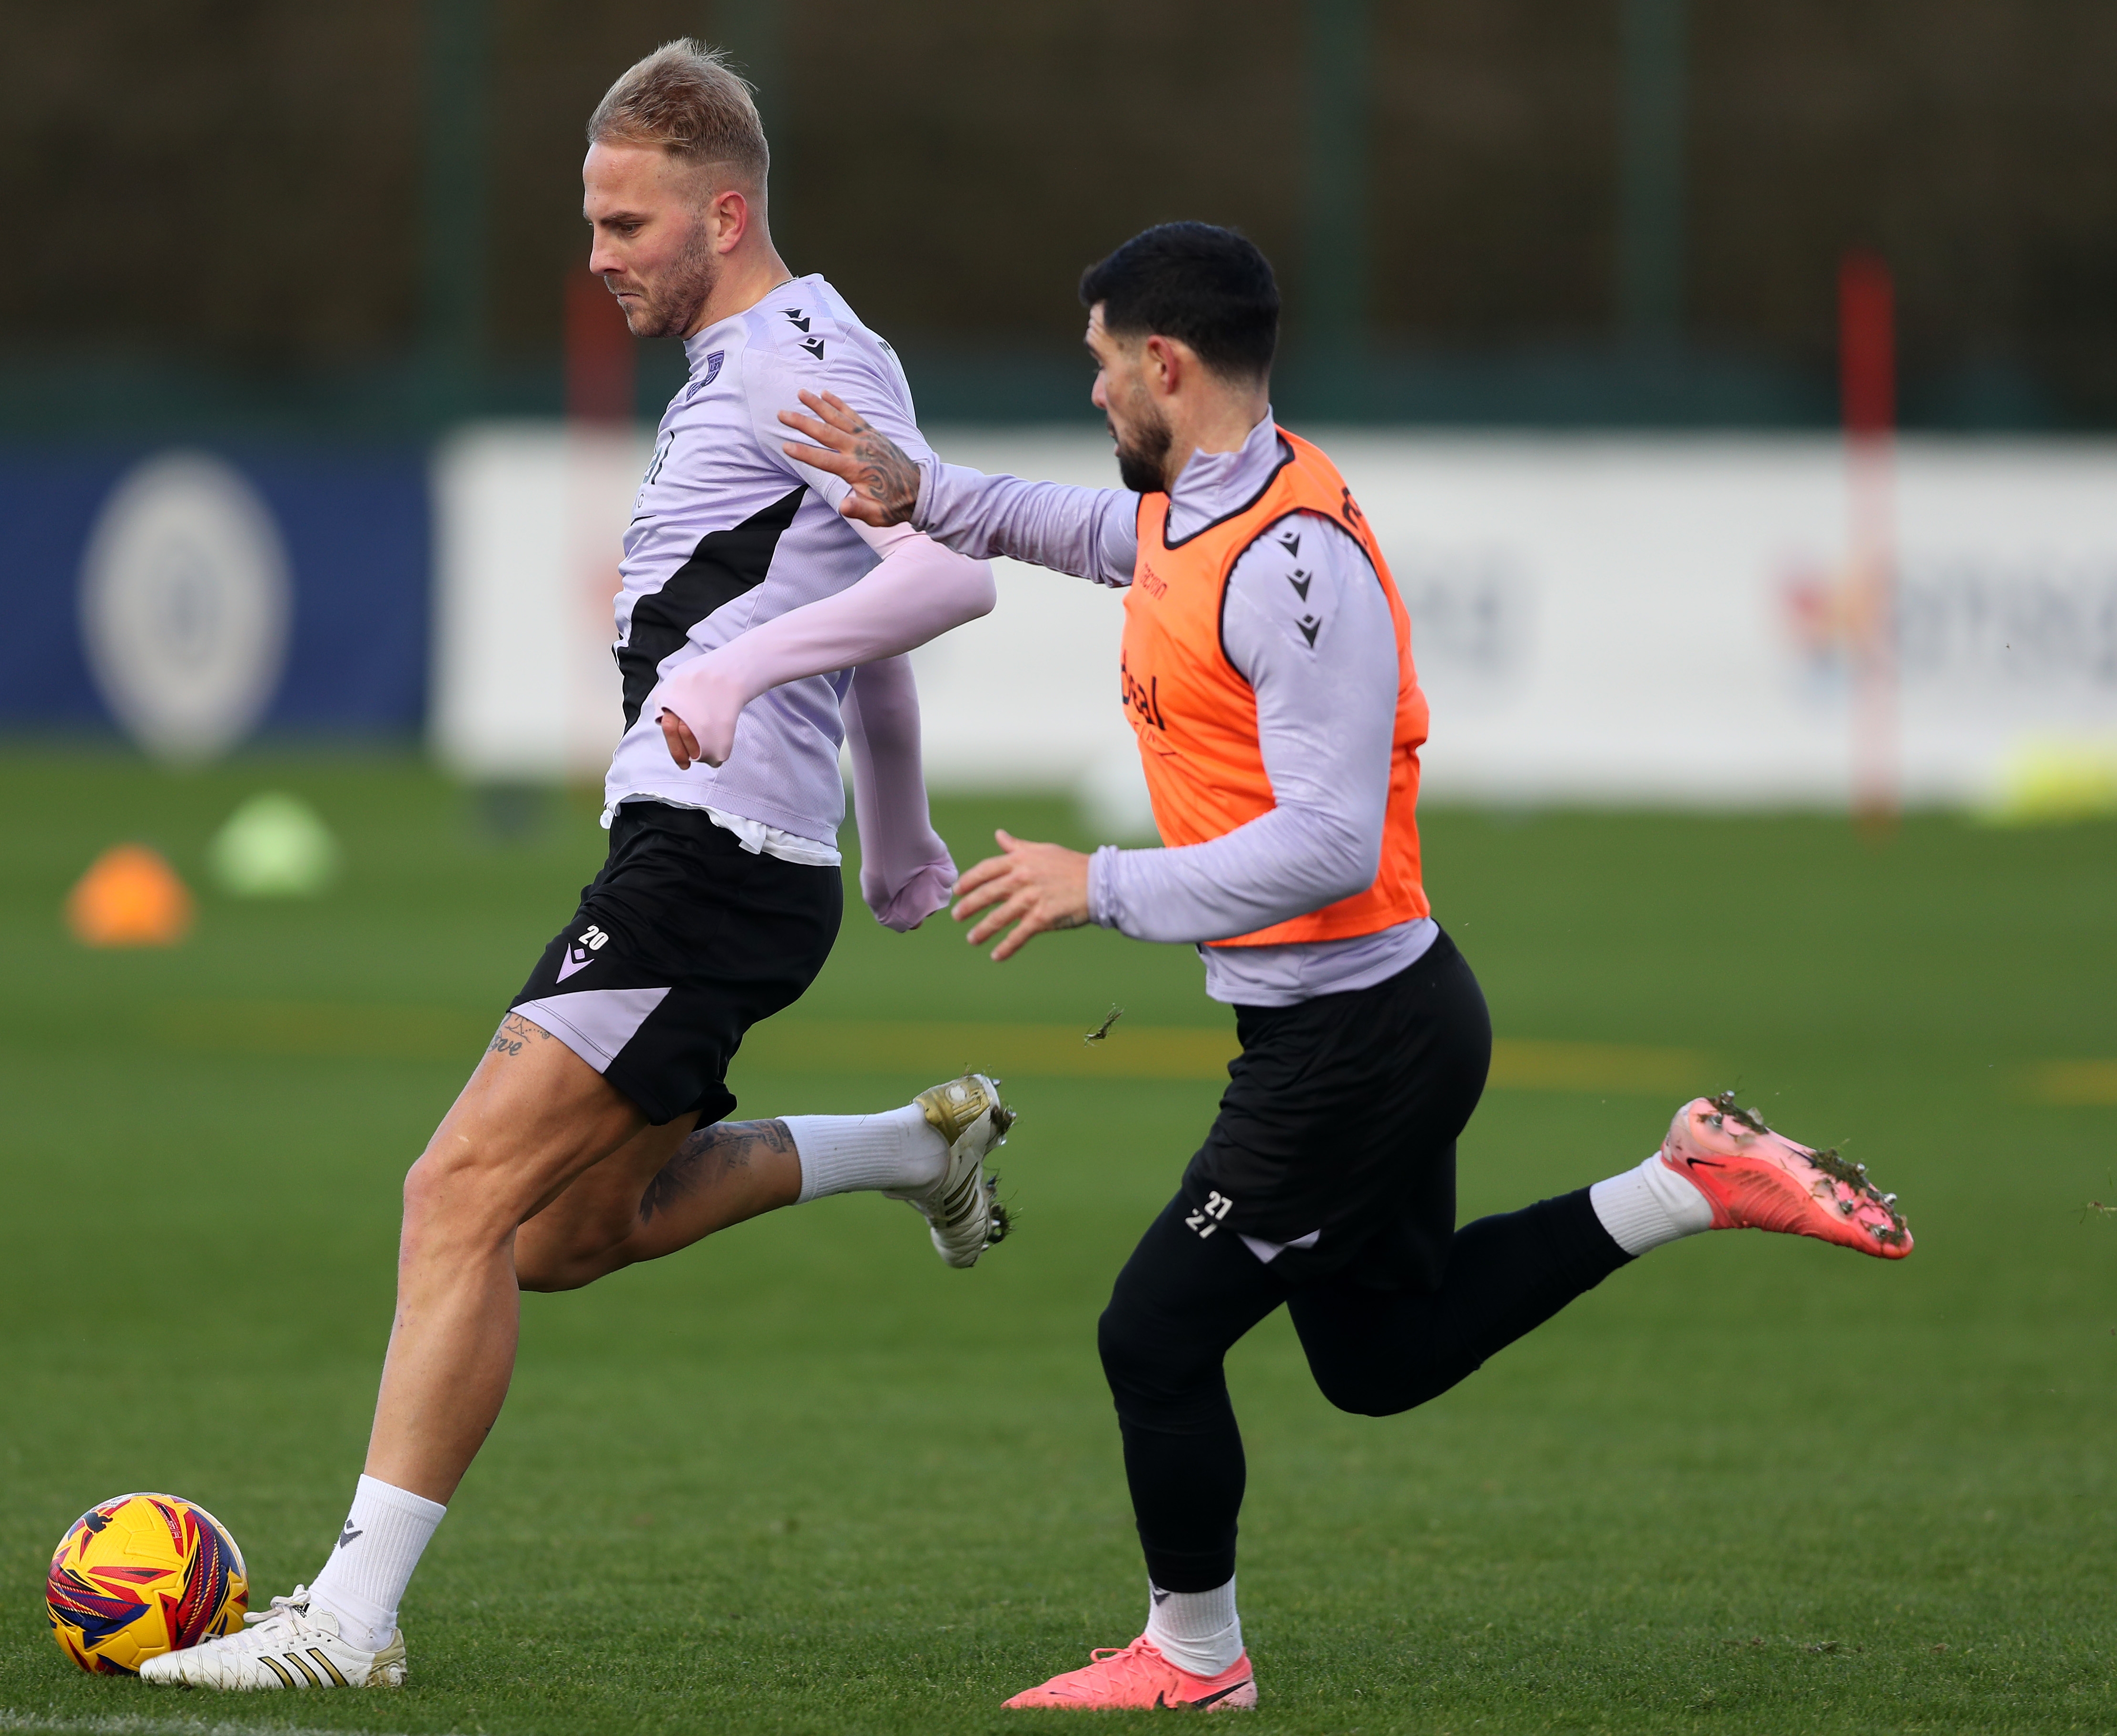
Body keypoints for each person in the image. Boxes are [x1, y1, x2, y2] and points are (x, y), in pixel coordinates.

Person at [778, 221, 1914, 1714]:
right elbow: (1075, 529)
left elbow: (1324, 843)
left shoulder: (1295, 566)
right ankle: (1686, 1180)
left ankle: (1194, 1661)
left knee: (1155, 1330)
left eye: (1103, 362)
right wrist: (923, 492)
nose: (1096, 389)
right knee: (1382, 1356)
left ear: (1165, 364)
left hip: (1360, 1040)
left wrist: (1095, 885)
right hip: (1352, 1028)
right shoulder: (1197, 505)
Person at [143, 40, 1021, 1693]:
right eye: (595, 221)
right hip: (725, 863)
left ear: (723, 208)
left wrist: (738, 681)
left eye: (626, 223)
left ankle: (349, 1624)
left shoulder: (795, 357)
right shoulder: (767, 359)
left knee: (451, 1196)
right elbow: (865, 608)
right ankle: (913, 1151)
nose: (600, 255)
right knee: (561, 1234)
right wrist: (894, 832)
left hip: (708, 872)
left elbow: (943, 581)